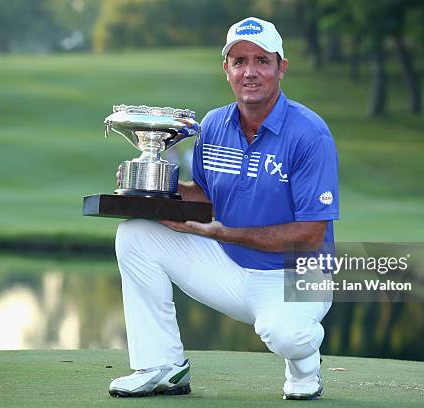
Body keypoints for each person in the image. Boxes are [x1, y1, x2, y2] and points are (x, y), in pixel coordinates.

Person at [109, 16, 339, 400]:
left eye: (261, 60)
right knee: (136, 234)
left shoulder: (309, 133)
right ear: (226, 70)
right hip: (230, 268)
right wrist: (150, 183)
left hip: (296, 276)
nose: (250, 71)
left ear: (281, 67)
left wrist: (223, 232)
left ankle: (305, 364)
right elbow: (207, 195)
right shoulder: (214, 125)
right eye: (239, 61)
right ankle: (162, 367)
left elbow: (311, 234)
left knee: (286, 334)